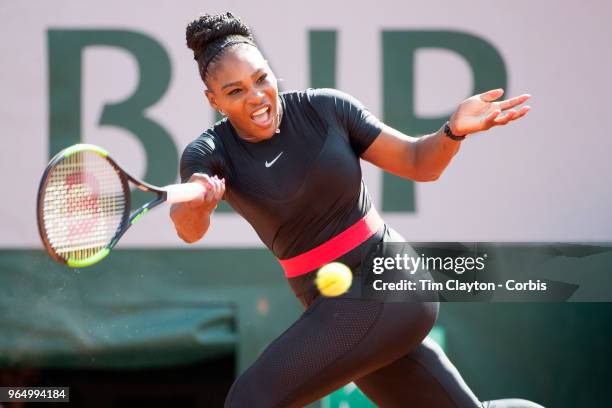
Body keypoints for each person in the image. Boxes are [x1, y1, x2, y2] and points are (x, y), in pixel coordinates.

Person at [170, 12, 544, 408]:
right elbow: (189, 229)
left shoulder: (326, 108)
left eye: (262, 79)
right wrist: (201, 203)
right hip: (331, 305)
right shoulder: (208, 153)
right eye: (235, 91)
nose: (257, 97)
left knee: (251, 400)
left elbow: (419, 162)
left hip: (389, 281)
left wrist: (452, 131)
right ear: (213, 100)